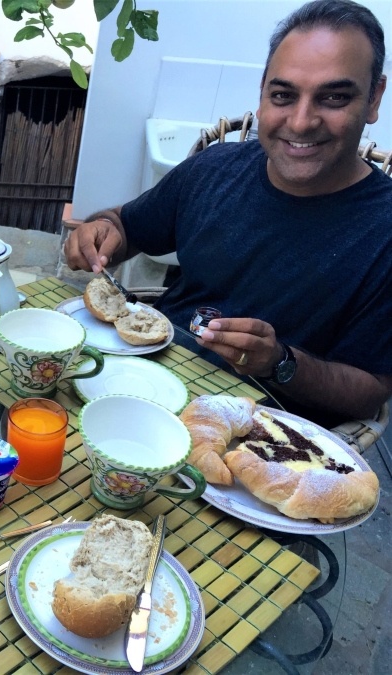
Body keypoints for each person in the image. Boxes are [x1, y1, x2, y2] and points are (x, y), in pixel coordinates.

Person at [65, 0, 391, 428]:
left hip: (257, 435)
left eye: (334, 97)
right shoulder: (215, 168)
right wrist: (102, 230)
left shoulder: (383, 229)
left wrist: (279, 362)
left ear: (373, 98)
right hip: (143, 384)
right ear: (262, 93)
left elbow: (370, 392)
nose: (301, 121)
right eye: (283, 95)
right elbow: (127, 225)